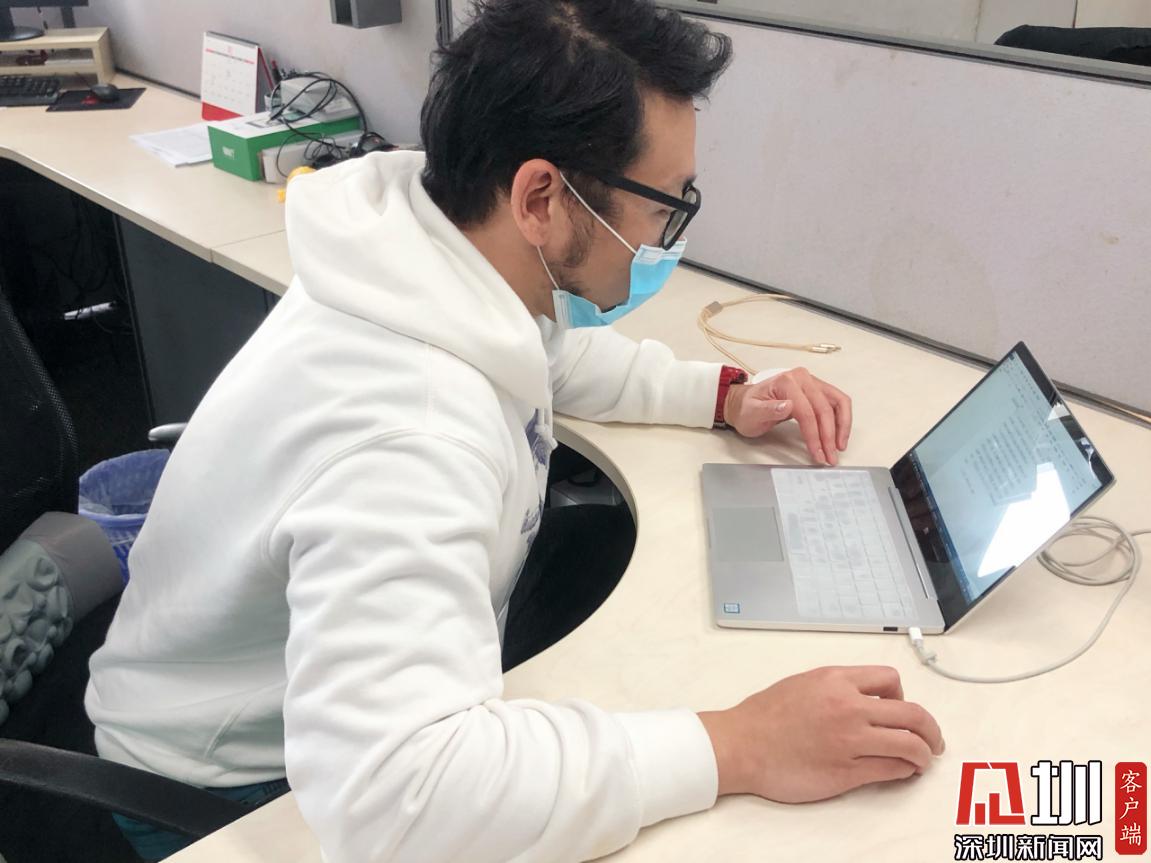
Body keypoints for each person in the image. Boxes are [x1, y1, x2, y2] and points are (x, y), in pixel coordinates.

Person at [85, 1, 944, 860]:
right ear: (540, 197)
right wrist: (738, 744)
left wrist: (720, 396)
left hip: (295, 706)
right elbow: (402, 798)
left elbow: (542, 353)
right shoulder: (410, 432)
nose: (667, 240)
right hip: (227, 786)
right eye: (663, 207)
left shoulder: (425, 257)